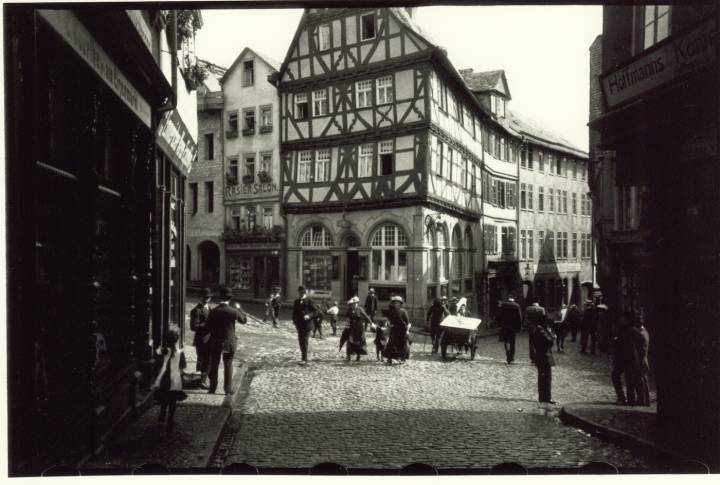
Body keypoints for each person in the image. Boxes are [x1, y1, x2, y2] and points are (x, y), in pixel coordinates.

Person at [207, 287, 247, 395]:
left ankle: (212, 388)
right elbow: (244, 320)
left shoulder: (214, 311)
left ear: (220, 297)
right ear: (230, 299)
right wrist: (240, 309)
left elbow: (208, 326)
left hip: (216, 341)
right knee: (228, 365)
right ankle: (227, 390)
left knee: (214, 364)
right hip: (229, 341)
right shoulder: (233, 311)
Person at [152, 326, 187, 431]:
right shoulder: (180, 353)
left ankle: (163, 413)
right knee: (173, 400)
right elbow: (182, 366)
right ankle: (170, 420)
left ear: (165, 341)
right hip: (175, 379)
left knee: (164, 396)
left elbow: (157, 365)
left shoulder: (161, 352)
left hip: (164, 379)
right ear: (176, 341)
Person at [189, 287, 212, 389]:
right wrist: (208, 325)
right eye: (204, 297)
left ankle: (202, 380)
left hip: (210, 339)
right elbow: (193, 327)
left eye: (208, 297)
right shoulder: (196, 311)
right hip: (201, 340)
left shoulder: (210, 309)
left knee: (208, 361)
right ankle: (201, 381)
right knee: (202, 360)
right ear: (200, 297)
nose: (206, 299)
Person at [611, 312, 635, 405]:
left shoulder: (627, 330)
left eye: (624, 319)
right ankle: (628, 399)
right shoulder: (627, 329)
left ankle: (623, 398)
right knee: (628, 378)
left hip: (624, 358)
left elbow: (622, 345)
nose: (622, 320)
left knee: (625, 377)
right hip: (626, 358)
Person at [531, 315, 556, 404]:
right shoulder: (541, 330)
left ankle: (543, 397)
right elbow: (550, 341)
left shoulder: (536, 329)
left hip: (540, 356)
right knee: (546, 378)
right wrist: (551, 334)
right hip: (544, 357)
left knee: (542, 377)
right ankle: (546, 397)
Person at [292, 286, 319, 365]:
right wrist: (294, 320)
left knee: (304, 341)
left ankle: (304, 358)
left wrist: (309, 316)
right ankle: (303, 357)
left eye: (302, 293)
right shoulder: (296, 301)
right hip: (299, 325)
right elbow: (294, 312)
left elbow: (316, 312)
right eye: (299, 292)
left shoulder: (309, 301)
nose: (300, 294)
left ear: (304, 293)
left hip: (307, 325)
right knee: (300, 341)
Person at [628, 312, 651, 406]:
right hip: (644, 359)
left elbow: (639, 348)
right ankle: (646, 400)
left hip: (640, 359)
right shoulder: (645, 331)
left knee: (640, 380)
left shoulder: (639, 333)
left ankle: (642, 400)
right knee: (644, 380)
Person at [383, 296, 411, 365]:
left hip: (402, 330)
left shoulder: (404, 311)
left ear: (400, 303)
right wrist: (388, 326)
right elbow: (389, 320)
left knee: (402, 345)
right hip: (394, 330)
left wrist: (407, 330)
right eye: (395, 302)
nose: (396, 304)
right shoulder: (391, 311)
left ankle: (403, 358)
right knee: (391, 343)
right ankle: (390, 358)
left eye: (397, 302)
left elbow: (408, 323)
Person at [343, 296, 373, 362]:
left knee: (359, 342)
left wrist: (371, 323)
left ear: (357, 303)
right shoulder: (349, 310)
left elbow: (366, 317)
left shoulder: (360, 309)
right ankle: (348, 356)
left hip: (359, 328)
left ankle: (358, 356)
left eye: (356, 303)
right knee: (350, 341)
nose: (354, 304)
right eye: (353, 303)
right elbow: (347, 319)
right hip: (351, 328)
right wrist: (346, 326)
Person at [498, 294, 522, 364]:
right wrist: (519, 327)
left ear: (508, 298)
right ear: (514, 298)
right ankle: (511, 356)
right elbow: (519, 318)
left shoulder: (503, 305)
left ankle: (507, 351)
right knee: (512, 342)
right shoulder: (517, 306)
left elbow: (499, 316)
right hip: (513, 327)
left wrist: (499, 325)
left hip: (505, 326)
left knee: (505, 340)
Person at [524, 297, 547, 364]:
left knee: (531, 343)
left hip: (531, 328)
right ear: (538, 302)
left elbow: (526, 319)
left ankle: (533, 357)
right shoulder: (542, 309)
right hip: (539, 328)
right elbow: (544, 320)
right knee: (539, 343)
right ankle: (538, 357)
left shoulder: (528, 309)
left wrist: (529, 325)